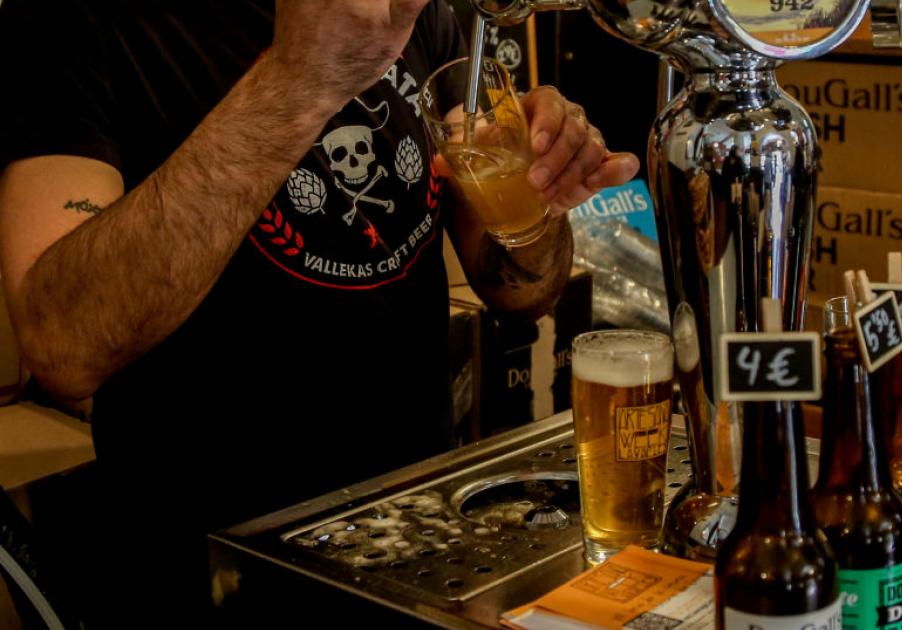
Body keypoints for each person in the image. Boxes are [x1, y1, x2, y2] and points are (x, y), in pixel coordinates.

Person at [0, 0, 638, 626]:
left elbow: (522, 290)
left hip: (414, 545)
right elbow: (62, 345)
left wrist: (537, 188)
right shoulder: (76, 20)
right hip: (205, 566)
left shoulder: (420, 15)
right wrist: (297, 80)